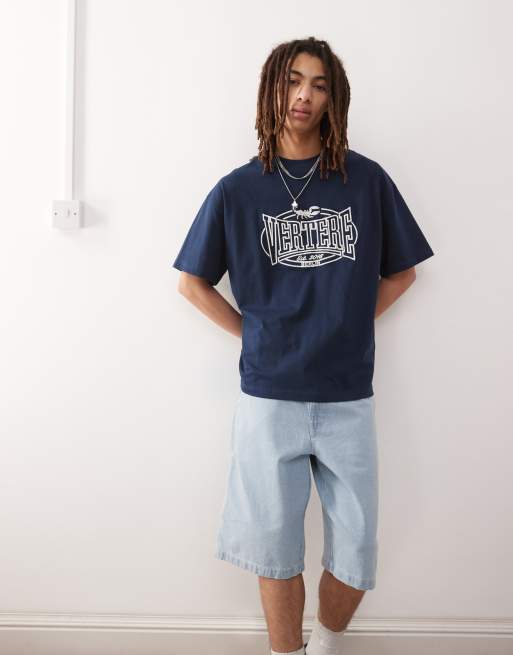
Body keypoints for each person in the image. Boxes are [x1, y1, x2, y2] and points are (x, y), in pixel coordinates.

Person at [172, 36, 434, 655]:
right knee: (273, 547)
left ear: (334, 98)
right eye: (293, 81)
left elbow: (402, 272)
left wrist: (349, 324)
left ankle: (326, 645)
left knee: (358, 552)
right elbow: (191, 283)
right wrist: (253, 334)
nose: (304, 95)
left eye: (318, 84)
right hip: (269, 395)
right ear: (272, 90)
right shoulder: (238, 189)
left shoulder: (365, 181)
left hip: (347, 394)